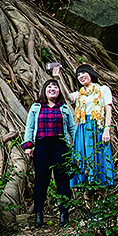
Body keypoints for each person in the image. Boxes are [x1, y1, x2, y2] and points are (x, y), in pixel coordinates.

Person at [22, 78, 76, 227]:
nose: (53, 89)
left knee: (62, 181)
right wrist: (28, 145)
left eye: (56, 87)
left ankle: (64, 214)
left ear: (59, 91)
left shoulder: (64, 108)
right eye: (49, 87)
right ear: (44, 91)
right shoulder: (36, 107)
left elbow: (72, 128)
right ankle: (39, 215)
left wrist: (77, 146)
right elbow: (29, 127)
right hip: (41, 147)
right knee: (41, 181)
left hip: (60, 146)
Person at [67, 64, 116, 195]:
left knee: (100, 157)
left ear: (90, 73)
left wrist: (107, 130)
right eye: (78, 75)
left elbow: (108, 110)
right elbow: (68, 97)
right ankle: (87, 200)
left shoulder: (103, 89)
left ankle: (102, 197)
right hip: (82, 128)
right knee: (83, 159)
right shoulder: (79, 94)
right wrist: (58, 77)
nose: (81, 76)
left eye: (83, 72)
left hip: (97, 126)